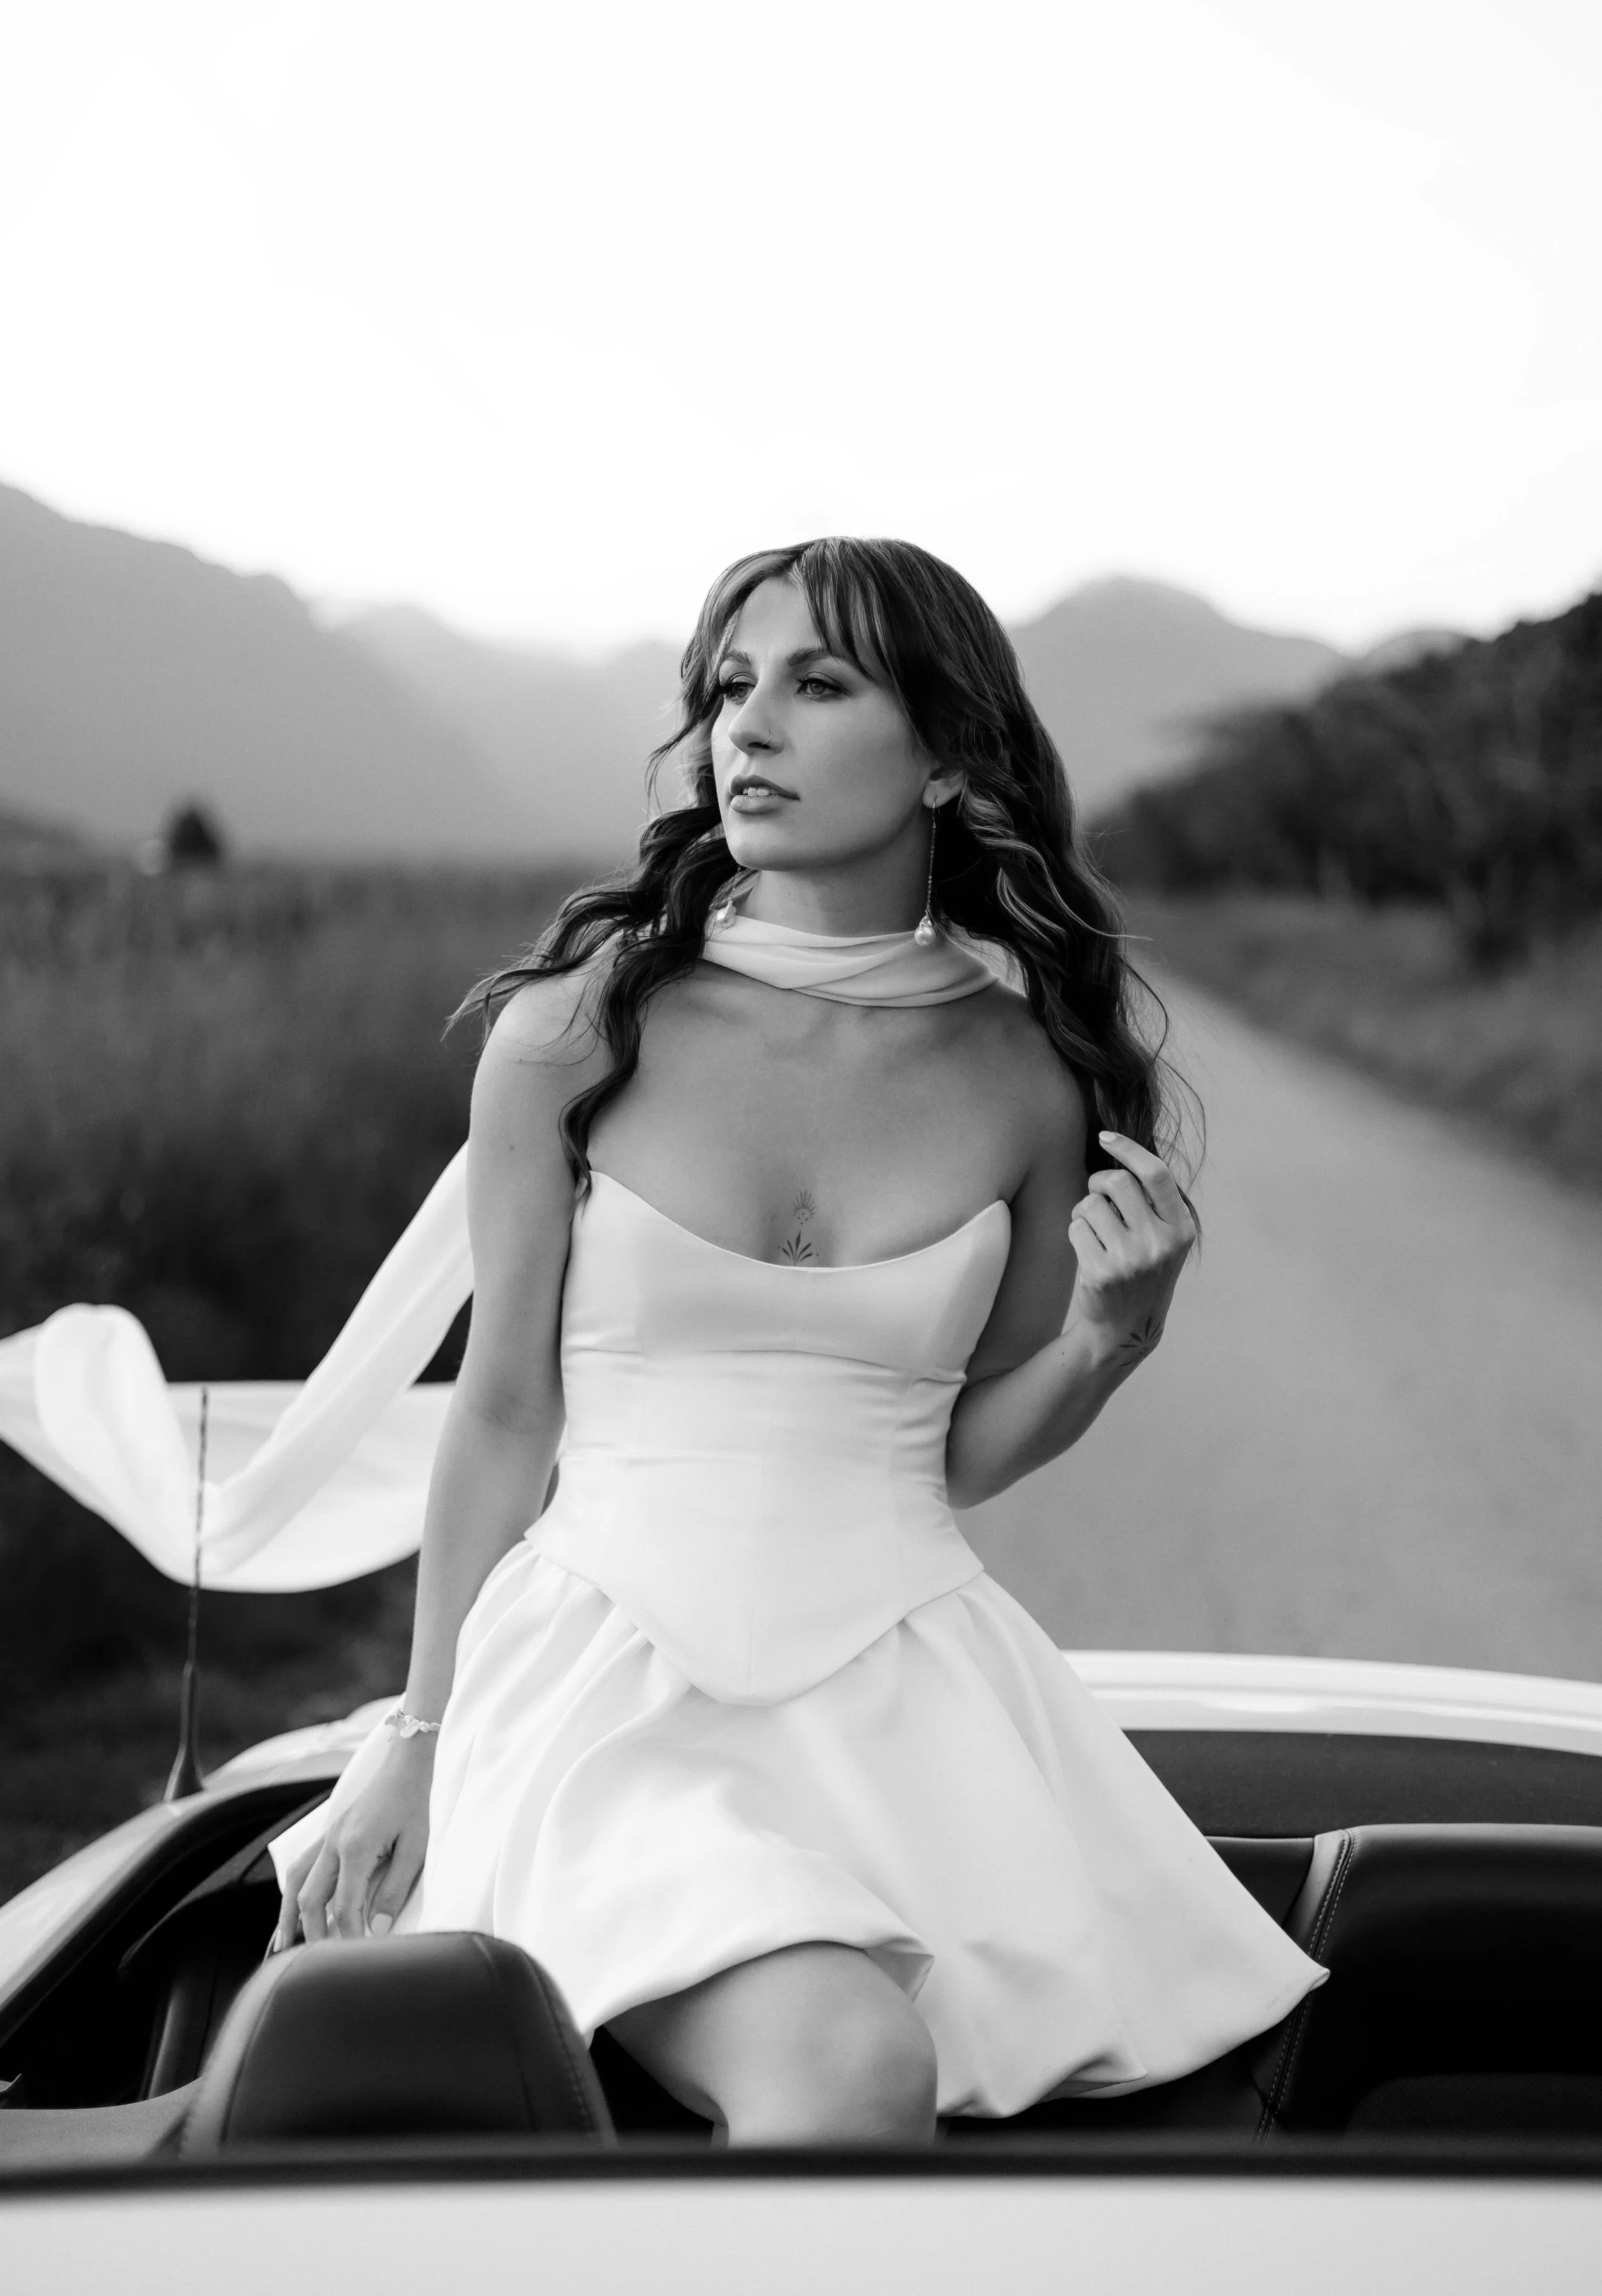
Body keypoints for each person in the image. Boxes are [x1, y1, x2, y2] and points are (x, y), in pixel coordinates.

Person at [273, 537, 1324, 2144]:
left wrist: (1111, 1339)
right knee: (845, 2062)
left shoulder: (1030, 1079)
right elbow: (498, 1421)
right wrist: (414, 1742)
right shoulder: (575, 1030)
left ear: (948, 760)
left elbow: (954, 1447)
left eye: (815, 685)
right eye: (727, 687)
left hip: (910, 1710)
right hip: (603, 1691)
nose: (744, 729)